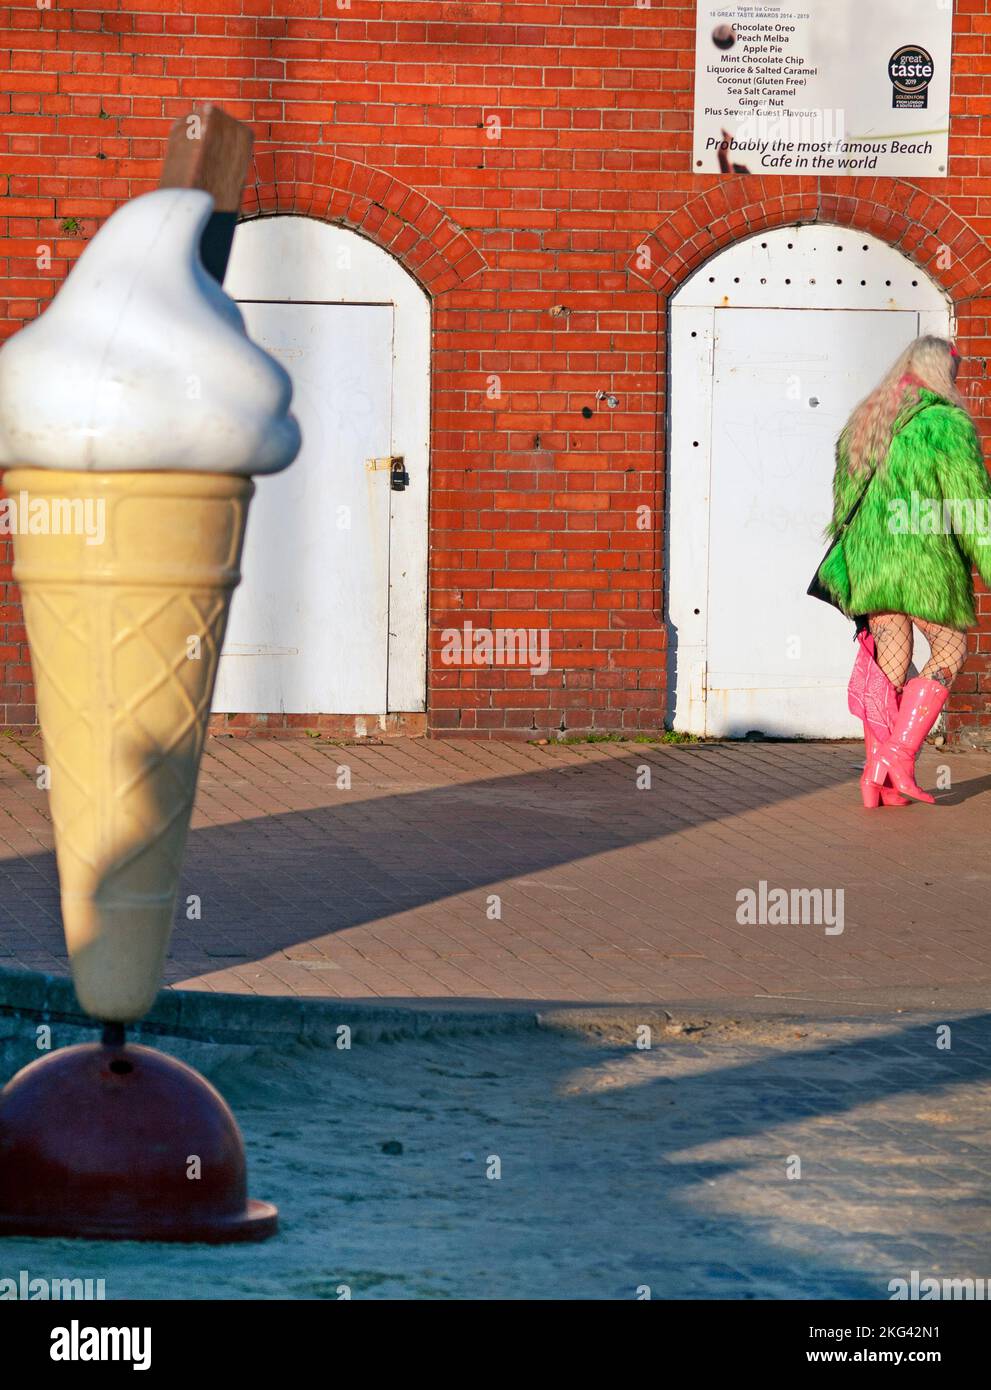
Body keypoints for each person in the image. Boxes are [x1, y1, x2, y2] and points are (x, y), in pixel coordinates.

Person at [815, 335, 991, 806]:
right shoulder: (943, 424)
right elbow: (973, 510)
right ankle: (895, 756)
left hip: (870, 563)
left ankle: (883, 786)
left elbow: (843, 504)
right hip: (923, 564)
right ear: (942, 373)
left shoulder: (864, 421)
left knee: (891, 659)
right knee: (950, 648)